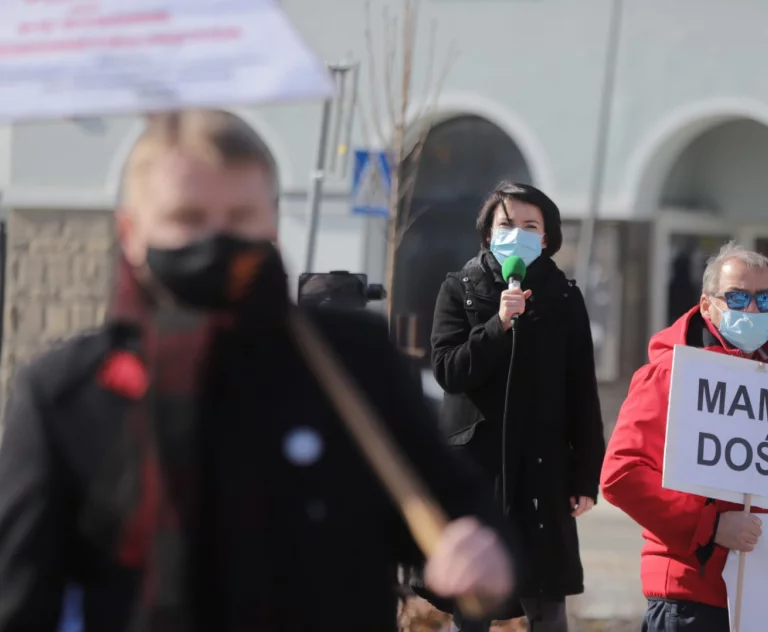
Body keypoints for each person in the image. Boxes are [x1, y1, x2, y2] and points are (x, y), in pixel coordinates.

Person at [0, 110, 517, 632]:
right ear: (131, 232)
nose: (216, 241)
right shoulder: (67, 397)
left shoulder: (351, 362)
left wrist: (483, 554)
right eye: (187, 218)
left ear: (270, 223)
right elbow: (19, 603)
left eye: (239, 217)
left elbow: (457, 506)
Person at [600, 242, 768, 632]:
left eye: (765, 299)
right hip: (690, 598)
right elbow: (622, 475)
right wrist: (710, 526)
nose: (752, 310)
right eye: (737, 297)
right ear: (707, 305)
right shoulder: (669, 374)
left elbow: (765, 481)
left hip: (759, 598)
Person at [425, 181, 606, 631]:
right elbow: (448, 371)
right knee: (472, 601)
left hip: (542, 470)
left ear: (545, 239)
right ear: (489, 233)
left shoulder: (564, 297)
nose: (517, 234)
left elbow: (581, 391)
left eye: (530, 226)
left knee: (546, 599)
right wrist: (498, 323)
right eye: (506, 224)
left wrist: (585, 474)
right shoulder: (460, 289)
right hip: (477, 470)